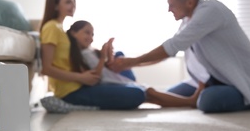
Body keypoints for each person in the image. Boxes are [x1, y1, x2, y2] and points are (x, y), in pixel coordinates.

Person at [108, 0, 250, 113]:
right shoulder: (187, 21)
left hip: (242, 87)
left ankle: (206, 96)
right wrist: (129, 65)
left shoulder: (211, 11)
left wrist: (132, 61)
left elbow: (172, 46)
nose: (169, 9)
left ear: (190, 2)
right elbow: (169, 52)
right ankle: (201, 94)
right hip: (209, 80)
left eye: (172, 4)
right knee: (168, 96)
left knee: (206, 101)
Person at [40, 0, 200, 110]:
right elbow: (46, 69)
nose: (73, 5)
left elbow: (72, 63)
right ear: (55, 5)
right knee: (138, 94)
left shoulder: (61, 30)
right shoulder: (51, 28)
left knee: (129, 70)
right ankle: (189, 101)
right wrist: (81, 77)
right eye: (68, 1)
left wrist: (99, 61)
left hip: (81, 84)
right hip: (70, 92)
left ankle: (189, 101)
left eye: (74, 1)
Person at [66, 19, 202, 108]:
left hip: (115, 77)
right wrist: (102, 58)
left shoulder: (90, 51)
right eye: (87, 33)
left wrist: (108, 55)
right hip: (107, 83)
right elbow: (95, 76)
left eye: (92, 34)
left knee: (149, 91)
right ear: (73, 33)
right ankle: (190, 101)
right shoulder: (77, 55)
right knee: (150, 93)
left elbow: (105, 67)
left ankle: (189, 101)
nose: (90, 37)